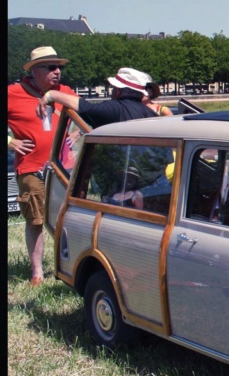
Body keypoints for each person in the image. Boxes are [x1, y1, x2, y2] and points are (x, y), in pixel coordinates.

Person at [7, 46, 77, 287]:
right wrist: (10, 141)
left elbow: (89, 113)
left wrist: (76, 135)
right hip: (31, 167)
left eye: (59, 67)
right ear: (35, 70)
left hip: (64, 168)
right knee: (35, 220)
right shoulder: (13, 93)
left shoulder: (64, 92)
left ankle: (68, 267)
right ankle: (37, 272)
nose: (57, 72)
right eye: (51, 67)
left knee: (69, 218)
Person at [39, 67, 159, 129]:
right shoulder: (151, 115)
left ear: (119, 90)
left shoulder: (116, 109)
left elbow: (85, 107)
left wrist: (51, 94)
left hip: (122, 175)